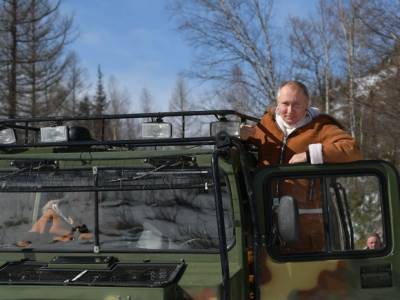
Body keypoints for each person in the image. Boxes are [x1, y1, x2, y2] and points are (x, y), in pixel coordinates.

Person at [241, 80, 362, 252]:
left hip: (307, 230)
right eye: (285, 104)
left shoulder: (321, 127)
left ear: (307, 103)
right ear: (277, 104)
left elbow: (352, 149)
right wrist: (242, 135)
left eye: (296, 104)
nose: (289, 111)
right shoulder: (265, 126)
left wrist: (309, 154)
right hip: (265, 228)